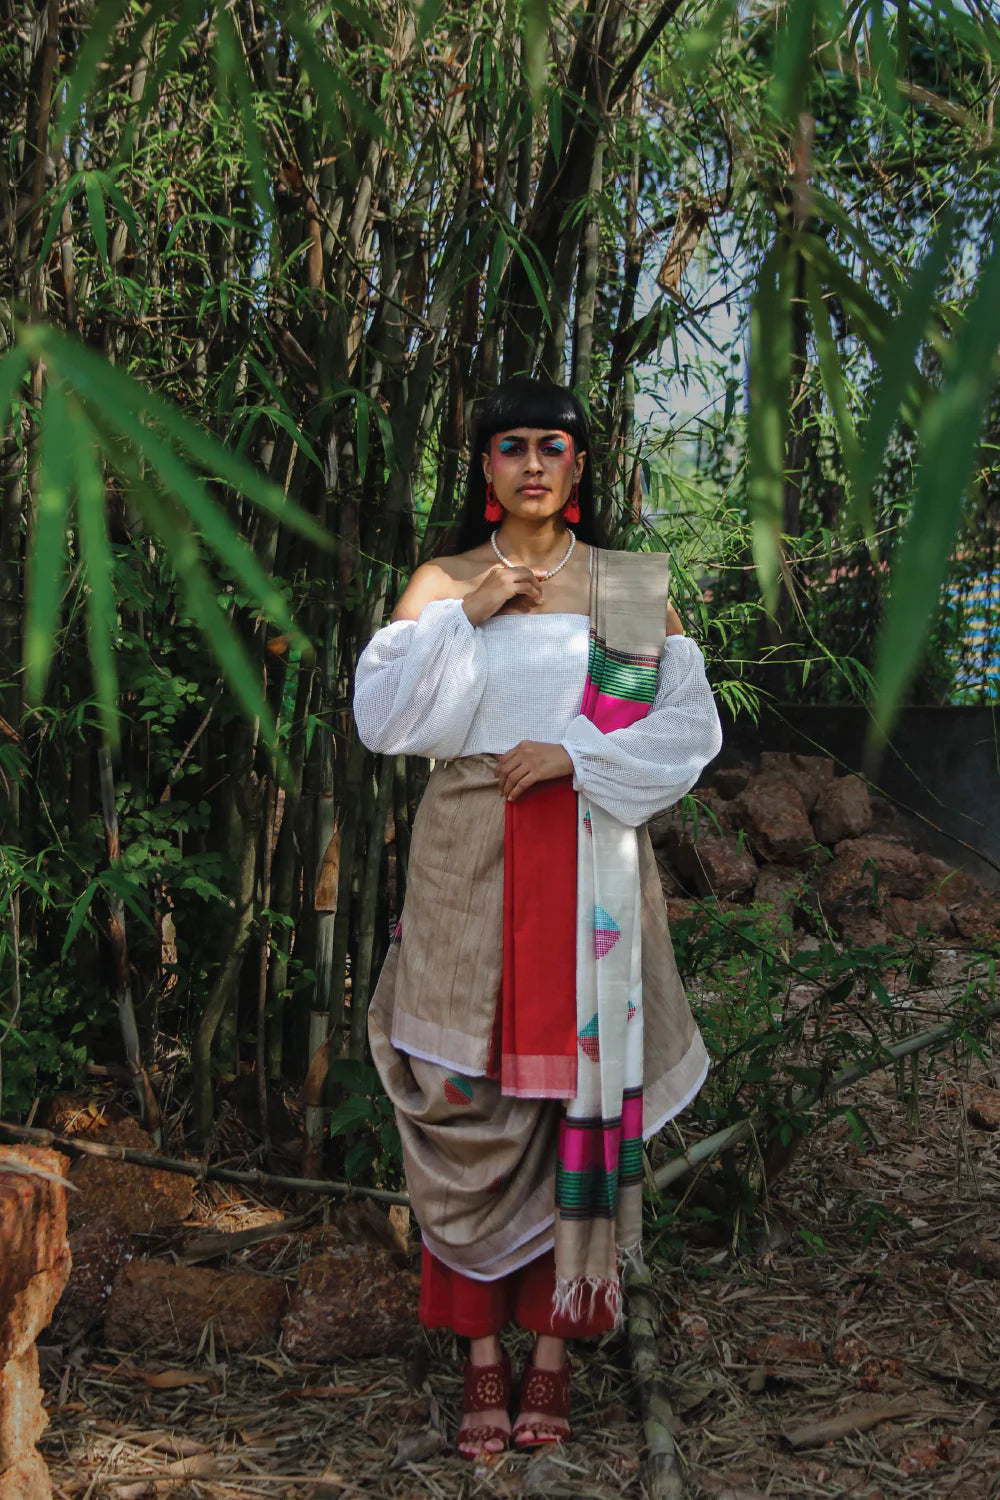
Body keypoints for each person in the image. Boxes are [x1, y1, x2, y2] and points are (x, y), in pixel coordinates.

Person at [353, 376, 722, 1459]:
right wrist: (468, 614)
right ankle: (478, 1359)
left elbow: (682, 729)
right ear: (481, 469)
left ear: (577, 466)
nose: (529, 462)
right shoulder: (445, 578)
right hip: (468, 856)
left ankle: (550, 1361)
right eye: (507, 444)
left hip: (593, 855)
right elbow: (387, 718)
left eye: (549, 445)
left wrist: (575, 754)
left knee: (580, 1096)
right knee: (463, 1089)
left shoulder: (621, 590)